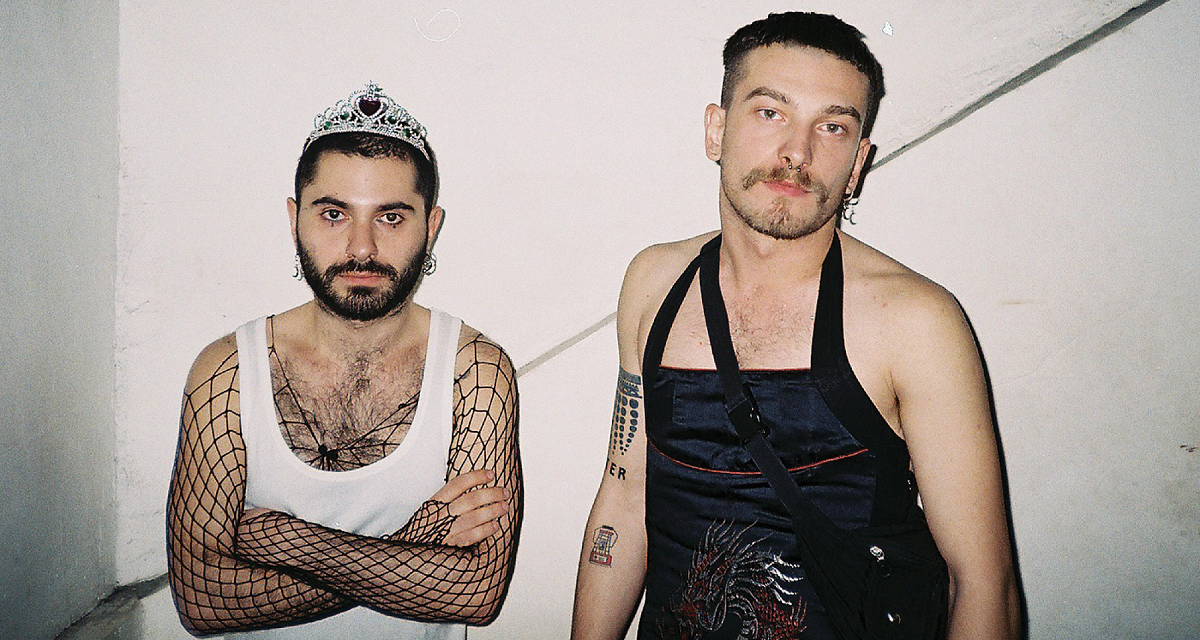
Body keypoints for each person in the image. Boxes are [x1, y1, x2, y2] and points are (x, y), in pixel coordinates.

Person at [572, 12, 1019, 639]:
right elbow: (624, 497)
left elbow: (983, 583)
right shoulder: (654, 283)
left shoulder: (915, 322)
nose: (798, 152)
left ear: (858, 162)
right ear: (716, 129)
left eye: (832, 127)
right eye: (770, 112)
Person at [167, 83, 521, 638]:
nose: (361, 248)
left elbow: (477, 593)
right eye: (334, 214)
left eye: (391, 218)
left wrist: (287, 540)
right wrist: (412, 542)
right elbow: (201, 601)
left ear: (431, 227)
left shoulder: (474, 371)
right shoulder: (227, 372)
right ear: (295, 220)